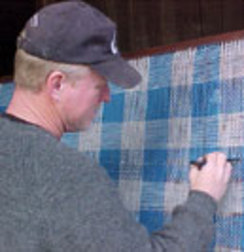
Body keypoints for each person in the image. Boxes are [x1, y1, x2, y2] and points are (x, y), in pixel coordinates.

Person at [0, 1, 232, 251]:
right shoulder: (66, 176)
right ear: (57, 84)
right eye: (100, 85)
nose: (108, 96)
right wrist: (204, 197)